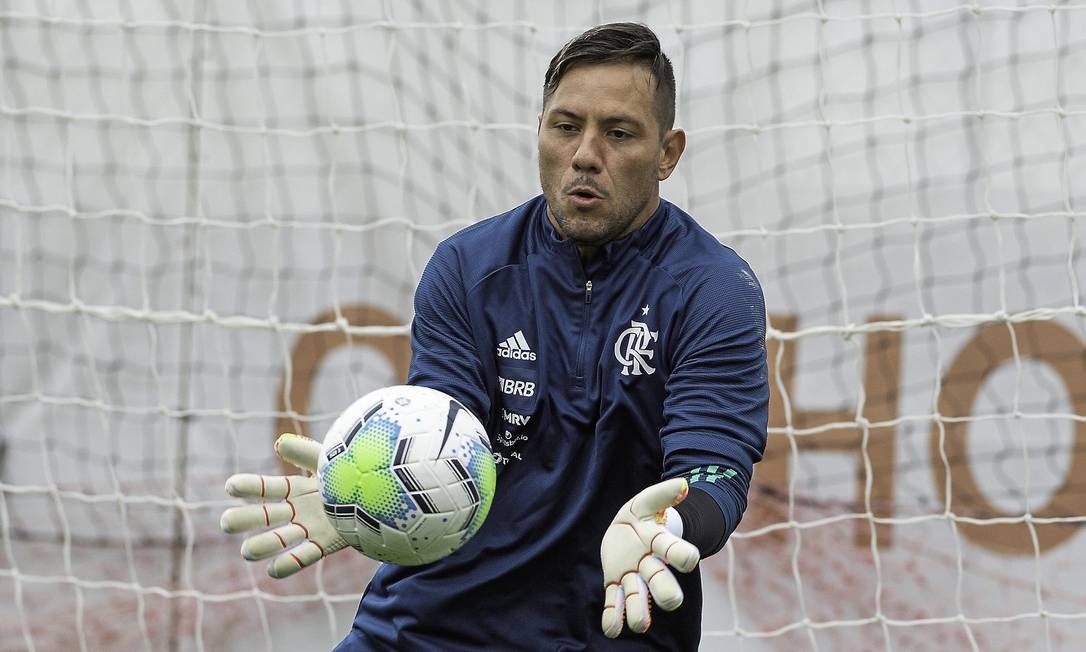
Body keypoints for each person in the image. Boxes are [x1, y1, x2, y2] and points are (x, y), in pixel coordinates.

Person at [221, 22, 768, 651]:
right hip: (427, 628)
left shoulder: (713, 289)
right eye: (566, 127)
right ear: (540, 132)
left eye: (618, 133)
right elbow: (442, 430)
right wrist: (367, 485)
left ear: (668, 153)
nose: (585, 154)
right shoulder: (468, 267)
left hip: (612, 624)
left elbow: (715, 466)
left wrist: (670, 527)